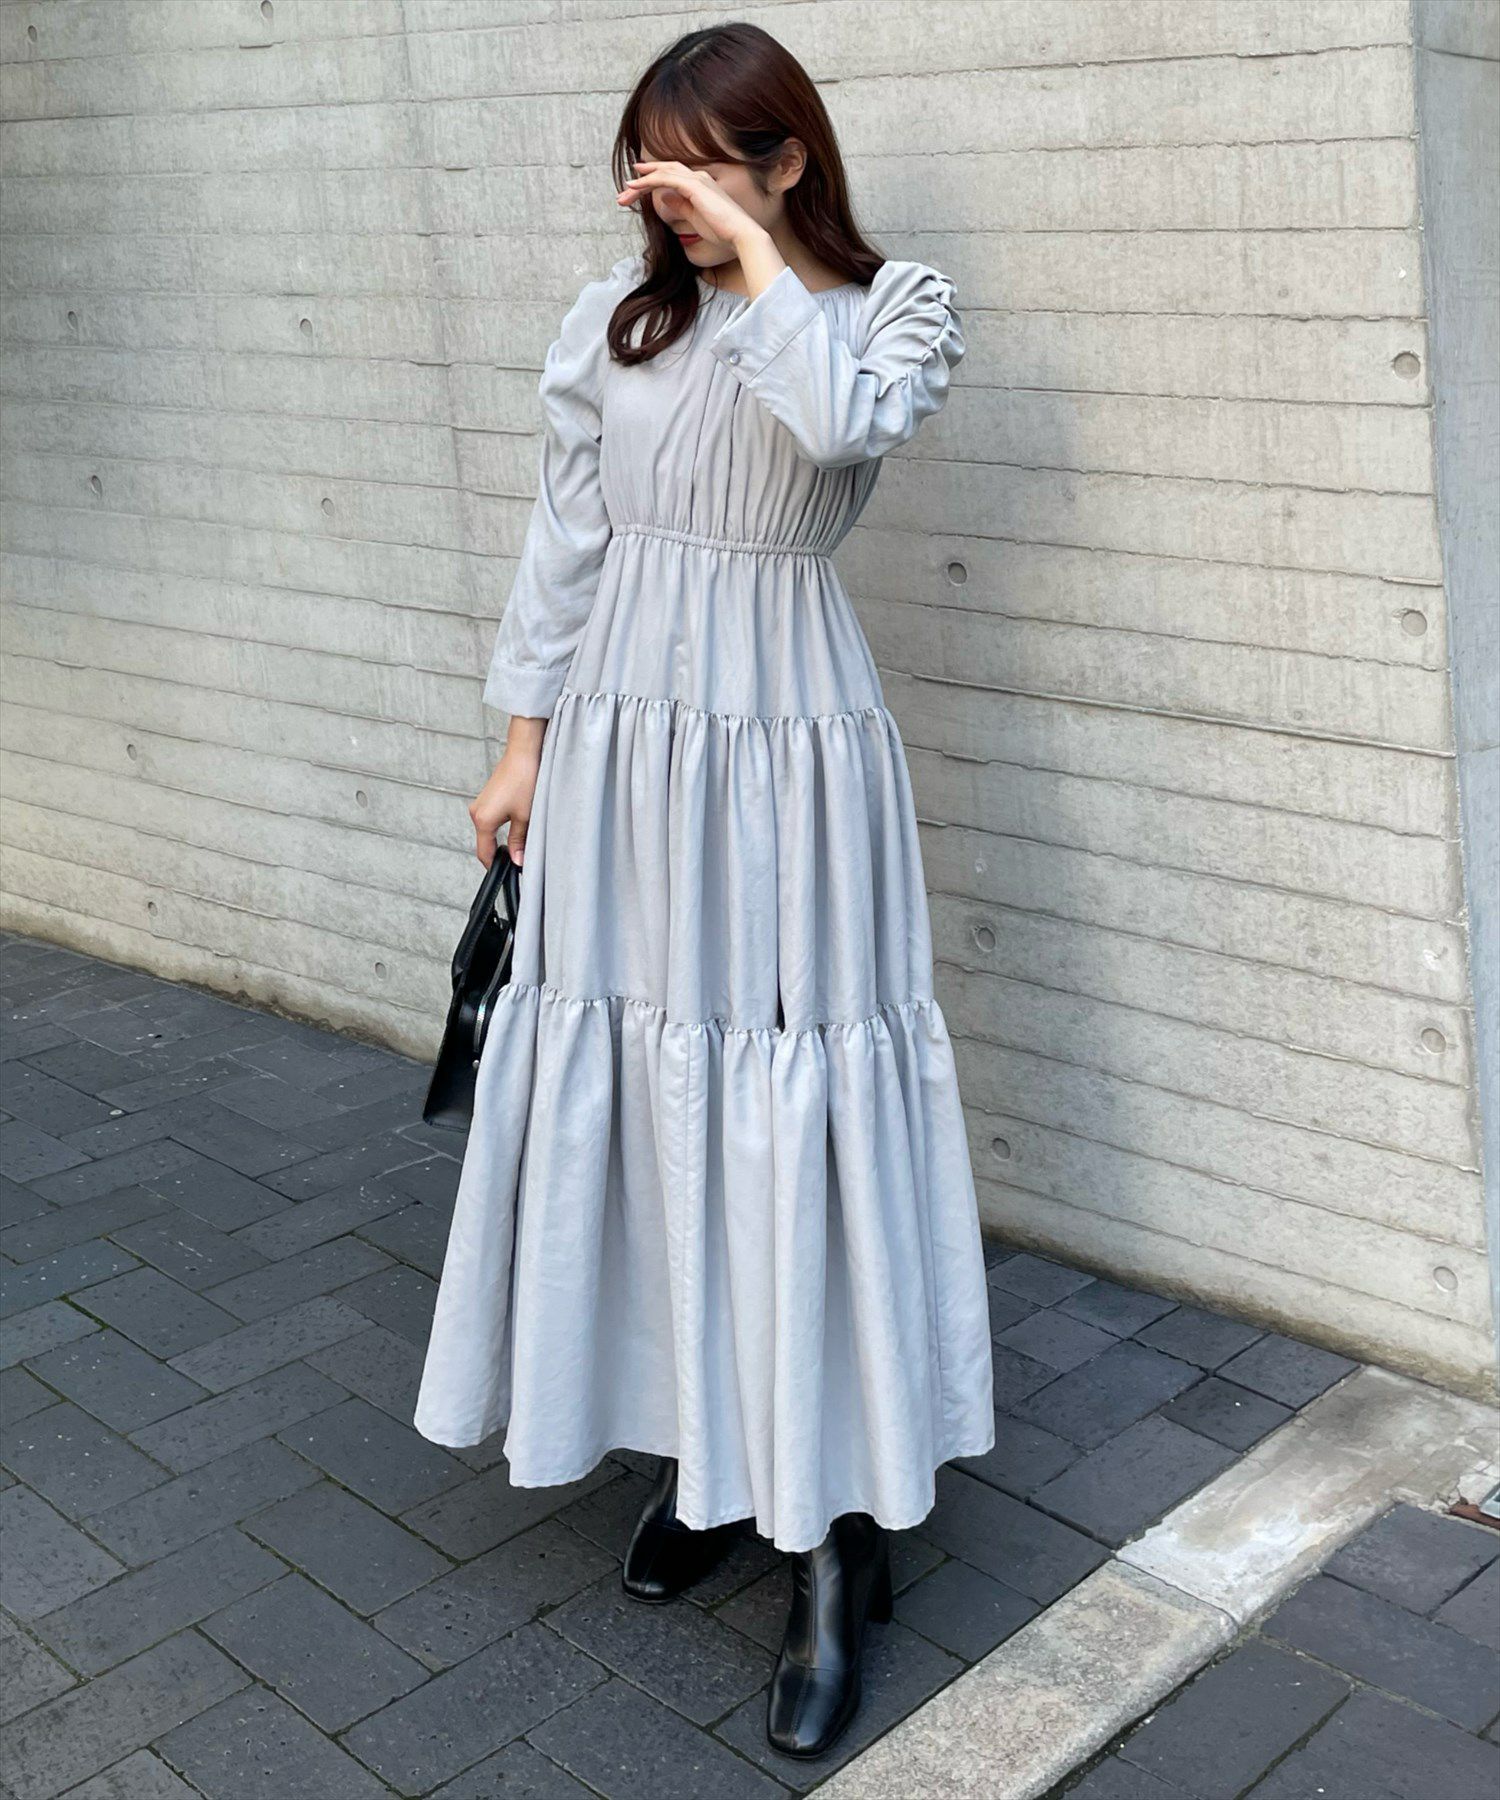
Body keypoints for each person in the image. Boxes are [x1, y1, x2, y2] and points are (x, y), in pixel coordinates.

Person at [414, 20, 995, 1759]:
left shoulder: (886, 313)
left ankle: (836, 1536)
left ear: (785, 156)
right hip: (620, 753)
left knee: (788, 1112)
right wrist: (522, 747)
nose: (658, 194)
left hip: (791, 759)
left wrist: (751, 254)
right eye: (644, 166)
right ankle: (708, 1452)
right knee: (663, 1110)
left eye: (694, 163)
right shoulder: (614, 320)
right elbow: (566, 539)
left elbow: (832, 430)